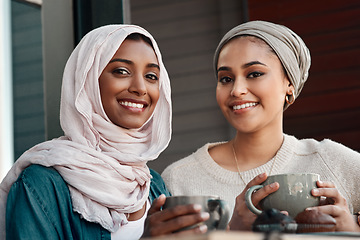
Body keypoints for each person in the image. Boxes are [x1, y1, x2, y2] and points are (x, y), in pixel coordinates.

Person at [0, 24, 209, 240]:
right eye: (121, 71)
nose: (140, 87)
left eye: (152, 76)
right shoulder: (40, 184)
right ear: (87, 81)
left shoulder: (152, 184)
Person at [162, 20, 360, 232]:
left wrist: (353, 231)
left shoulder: (335, 162)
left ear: (289, 85)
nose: (237, 90)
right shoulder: (179, 179)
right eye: (226, 78)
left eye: (254, 74)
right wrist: (231, 232)